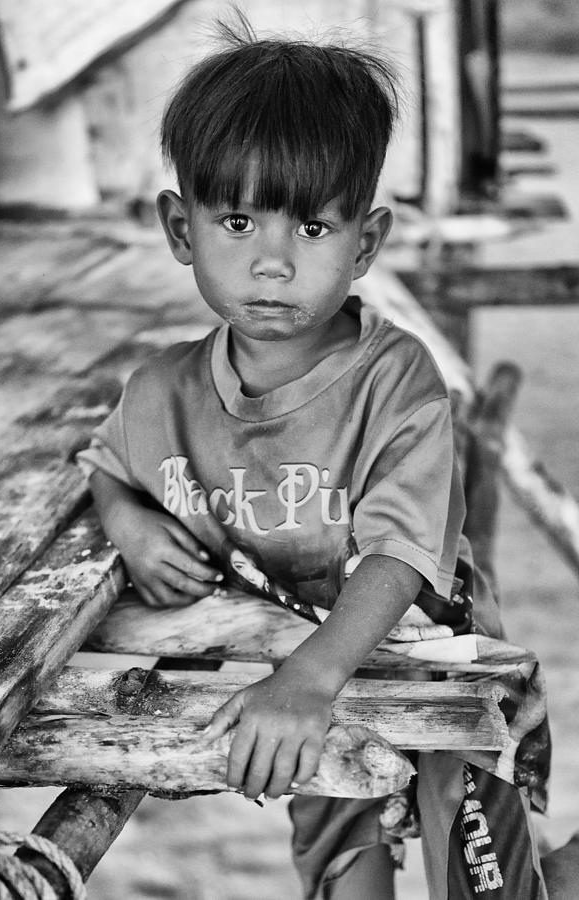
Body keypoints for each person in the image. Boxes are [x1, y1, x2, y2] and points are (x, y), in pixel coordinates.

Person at [76, 18, 549, 899]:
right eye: (238, 219)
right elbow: (108, 464)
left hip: (428, 662)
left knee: (486, 887)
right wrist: (130, 523)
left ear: (365, 242)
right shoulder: (162, 391)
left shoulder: (397, 380)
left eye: (314, 228)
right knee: (344, 878)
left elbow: (402, 556)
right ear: (181, 229)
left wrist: (310, 680)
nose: (272, 264)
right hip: (292, 665)